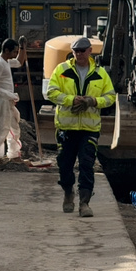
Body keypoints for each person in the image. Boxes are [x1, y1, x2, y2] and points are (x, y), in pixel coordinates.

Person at [46, 37, 116, 218]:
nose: (80, 54)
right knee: (65, 164)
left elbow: (110, 97)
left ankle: (84, 203)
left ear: (90, 51)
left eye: (83, 51)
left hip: (89, 128)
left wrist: (93, 101)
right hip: (66, 128)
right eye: (76, 51)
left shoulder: (100, 73)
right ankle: (68, 192)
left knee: (86, 164)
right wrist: (71, 100)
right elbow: (51, 92)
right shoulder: (62, 71)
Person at [0, 37, 27, 165]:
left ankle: (14, 155)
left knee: (14, 127)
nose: (15, 54)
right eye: (14, 52)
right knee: (0, 129)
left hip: (7, 101)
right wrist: (6, 94)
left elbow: (19, 62)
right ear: (6, 50)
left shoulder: (6, 61)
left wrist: (23, 48)